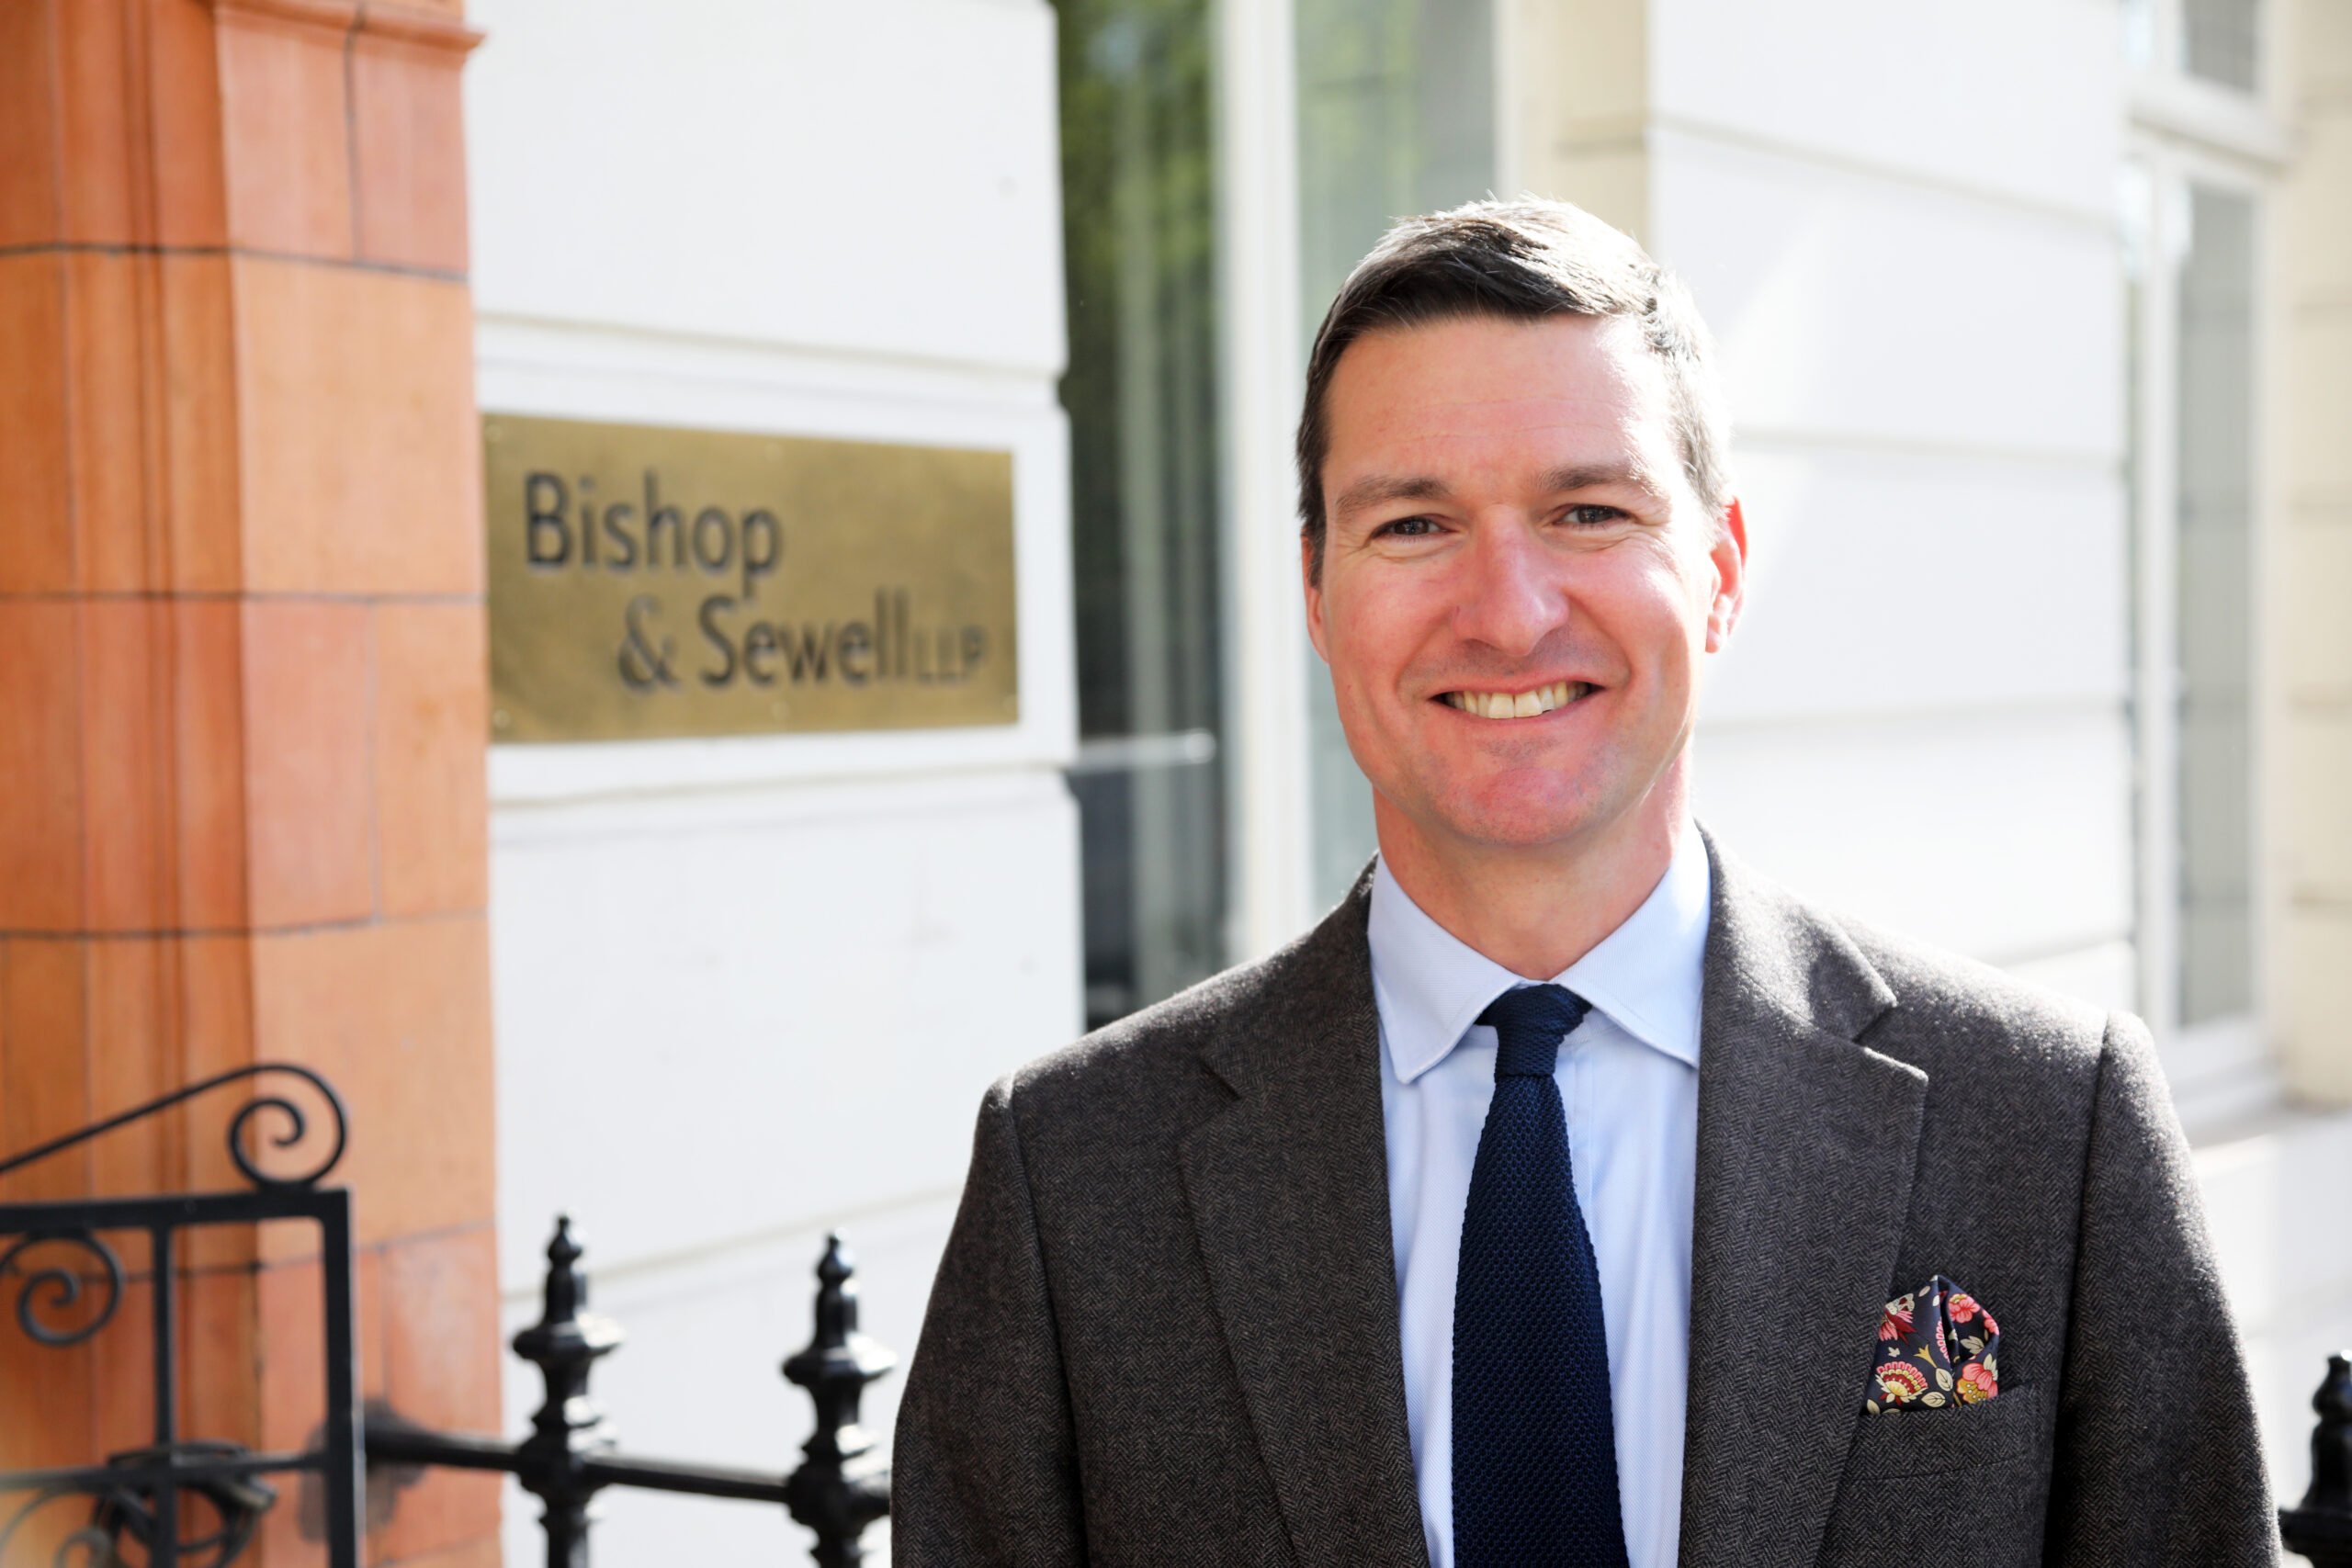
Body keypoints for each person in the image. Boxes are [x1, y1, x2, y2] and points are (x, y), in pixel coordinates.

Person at [890, 198, 2278, 1567]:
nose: (1508, 614)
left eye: (1589, 512)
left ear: (1721, 571)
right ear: (1316, 591)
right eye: (1414, 525)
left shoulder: (2050, 1126)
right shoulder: (1074, 1177)